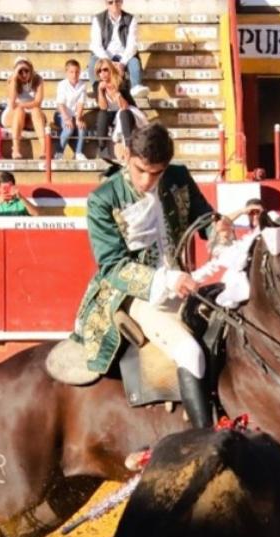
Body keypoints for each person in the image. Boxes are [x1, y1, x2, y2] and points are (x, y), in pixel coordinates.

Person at [72, 123, 232, 431]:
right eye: (140, 170)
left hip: (185, 286)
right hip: (133, 294)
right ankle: (203, 438)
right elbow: (112, 265)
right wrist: (168, 280)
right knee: (188, 350)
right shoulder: (103, 199)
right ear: (126, 156)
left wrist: (219, 232)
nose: (147, 180)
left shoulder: (178, 177)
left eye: (156, 173)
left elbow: (205, 221)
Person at [88, 0, 148, 99]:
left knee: (134, 62)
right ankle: (96, 88)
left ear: (122, 2)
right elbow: (96, 45)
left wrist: (122, 63)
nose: (114, 5)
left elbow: (132, 45)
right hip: (105, 55)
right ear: (106, 4)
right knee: (93, 62)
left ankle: (135, 87)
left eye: (117, 1)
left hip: (123, 55)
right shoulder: (98, 19)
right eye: (110, 2)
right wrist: (109, 63)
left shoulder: (131, 19)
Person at [94, 58, 147, 161]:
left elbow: (125, 106)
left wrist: (116, 93)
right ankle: (102, 148)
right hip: (112, 114)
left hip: (128, 112)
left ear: (111, 69)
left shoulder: (121, 82)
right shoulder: (98, 85)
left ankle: (128, 147)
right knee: (102, 114)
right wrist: (100, 91)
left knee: (123, 113)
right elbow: (103, 107)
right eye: (99, 71)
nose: (102, 73)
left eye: (105, 69)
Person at [2, 57, 46, 160]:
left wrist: (21, 105)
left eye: (26, 70)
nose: (24, 74)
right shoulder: (12, 80)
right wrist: (14, 78)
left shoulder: (38, 79)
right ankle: (16, 149)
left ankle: (45, 149)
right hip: (13, 114)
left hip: (31, 115)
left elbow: (38, 102)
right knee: (19, 111)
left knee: (35, 110)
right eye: (20, 71)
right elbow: (12, 104)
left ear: (31, 69)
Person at [54, 59, 87, 161]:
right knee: (69, 129)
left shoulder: (83, 85)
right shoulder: (62, 85)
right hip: (61, 114)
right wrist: (66, 118)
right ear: (66, 72)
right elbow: (61, 104)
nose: (74, 75)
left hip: (74, 114)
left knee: (82, 127)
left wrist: (78, 118)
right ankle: (58, 152)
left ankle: (78, 152)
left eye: (77, 72)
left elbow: (80, 103)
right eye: (71, 72)